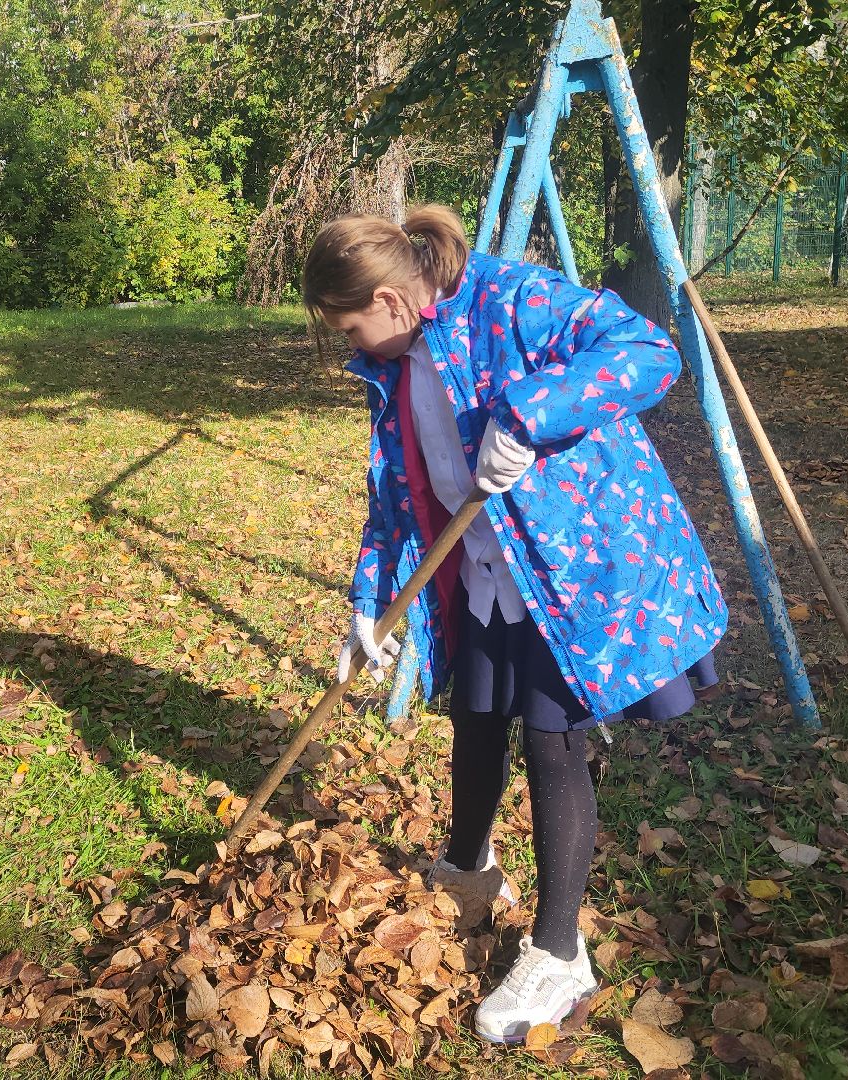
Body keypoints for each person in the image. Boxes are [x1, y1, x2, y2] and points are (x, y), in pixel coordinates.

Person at [305, 205, 724, 1044]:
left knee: (551, 741)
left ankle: (561, 954)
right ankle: (470, 867)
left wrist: (534, 412)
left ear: (390, 300)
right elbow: (395, 488)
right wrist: (365, 599)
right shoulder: (393, 367)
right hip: (489, 569)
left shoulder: (512, 298)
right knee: (475, 719)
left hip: (571, 566)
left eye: (352, 327)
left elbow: (651, 352)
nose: (351, 347)